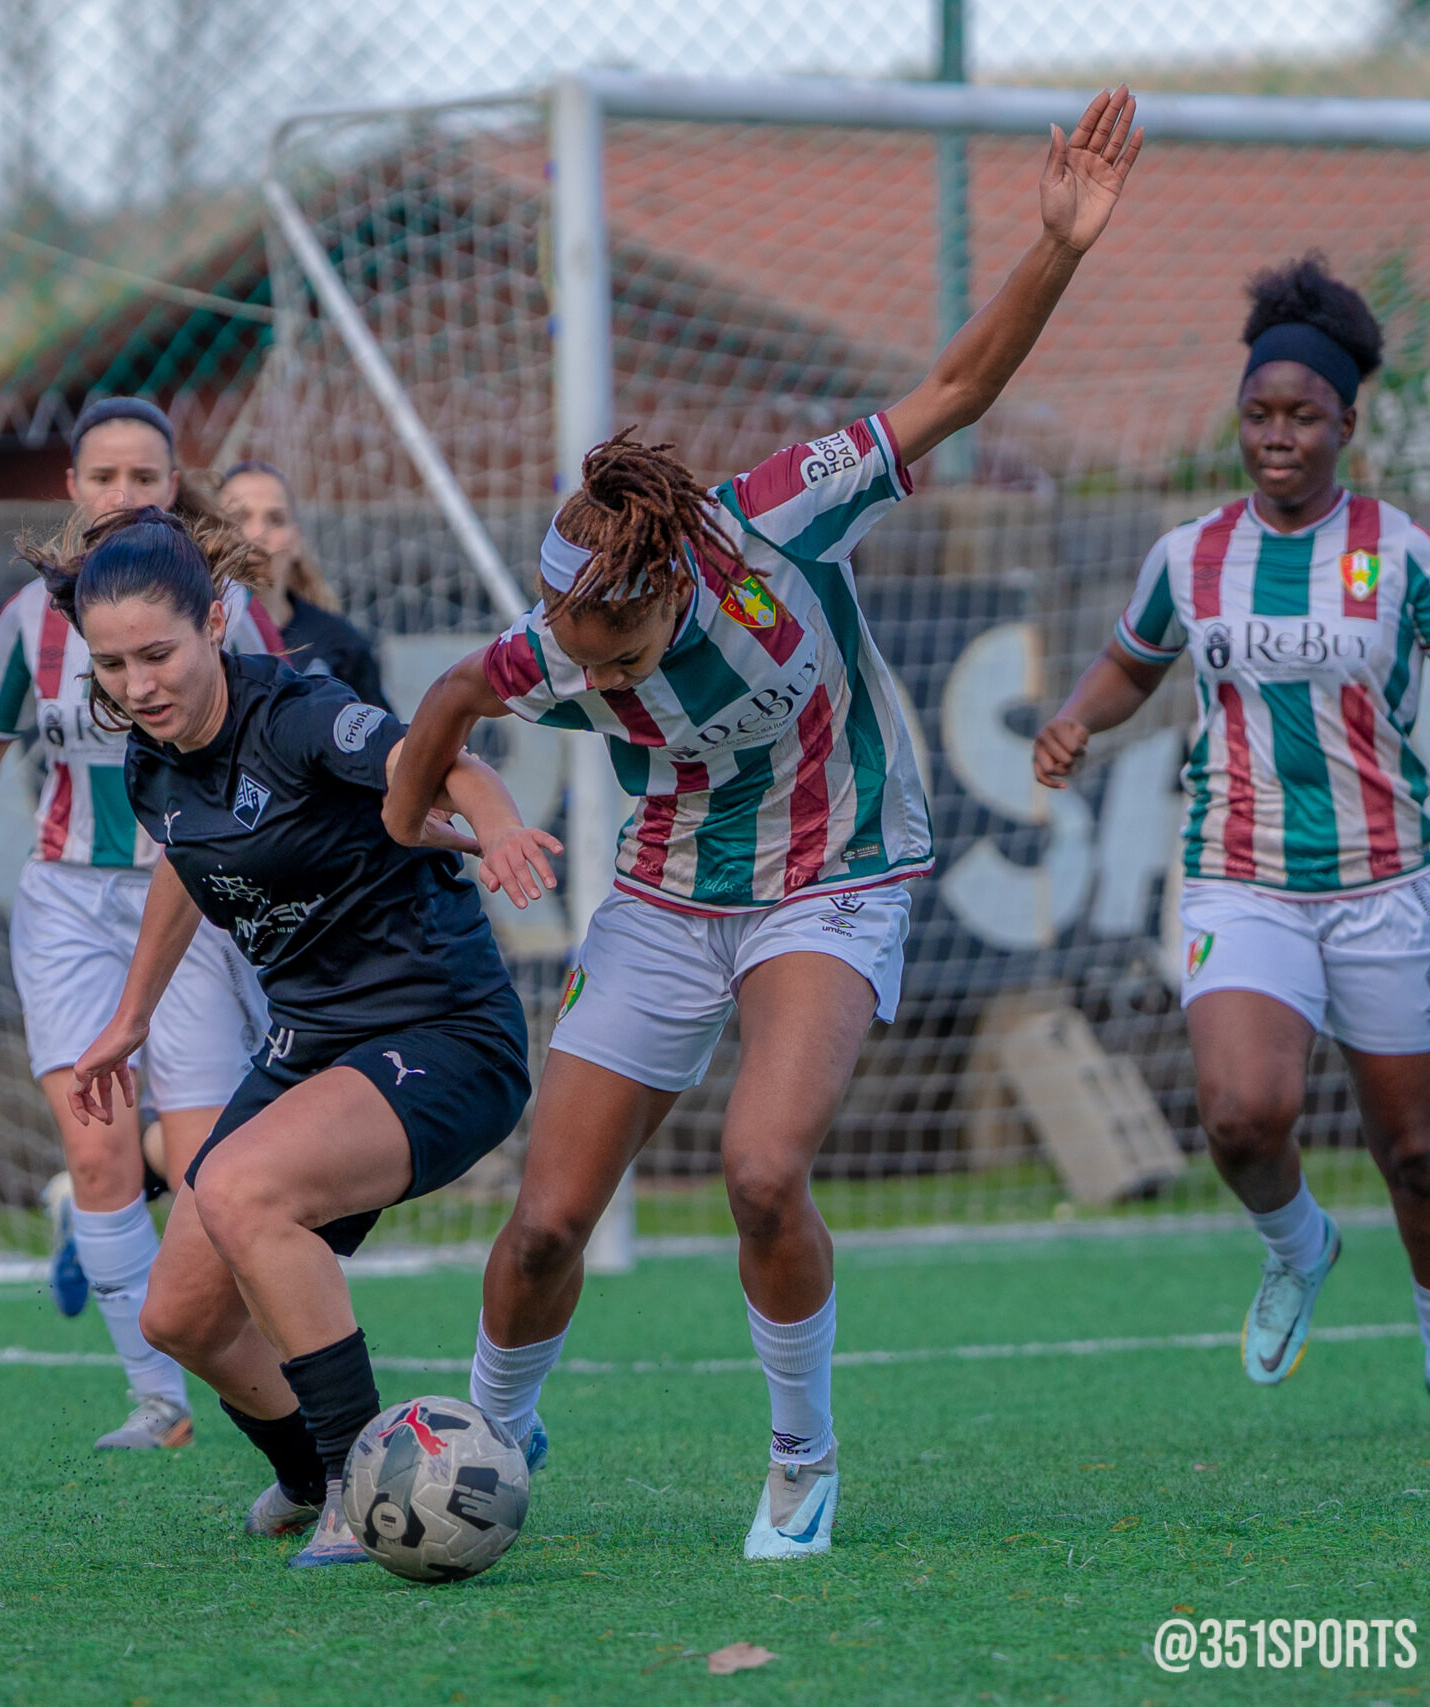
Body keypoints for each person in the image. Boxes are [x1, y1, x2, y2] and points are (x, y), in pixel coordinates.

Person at [389, 90, 1146, 1560]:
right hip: (668, 897)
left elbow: (956, 387)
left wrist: (1059, 245)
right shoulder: (556, 643)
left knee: (758, 1170)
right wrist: (415, 811)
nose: (601, 676)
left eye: (621, 648)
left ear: (675, 578)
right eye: (579, 650)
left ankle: (802, 1454)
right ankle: (486, 1433)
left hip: (834, 876)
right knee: (543, 1224)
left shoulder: (782, 515)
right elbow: (449, 700)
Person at [1031, 253, 1430, 1439]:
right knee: (1239, 1115)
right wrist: (1074, 719)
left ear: (1345, 426)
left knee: (1415, 1153)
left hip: (1382, 884)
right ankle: (1298, 1244)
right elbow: (1127, 665)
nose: (1277, 435)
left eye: (1303, 416)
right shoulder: (1189, 556)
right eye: (1259, 413)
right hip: (1238, 875)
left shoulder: (1402, 552)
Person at [60, 506, 560, 1568]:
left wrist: (501, 822)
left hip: (443, 1035)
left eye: (158, 654)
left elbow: (439, 760)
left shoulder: (302, 714)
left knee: (242, 1189)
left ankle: (352, 1482)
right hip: (311, 1046)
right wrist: (129, 1019)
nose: (138, 685)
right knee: (178, 1315)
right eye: (112, 665)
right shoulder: (152, 762)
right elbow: (186, 863)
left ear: (216, 621)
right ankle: (300, 1472)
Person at [0, 396, 276, 1453]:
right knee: (97, 1155)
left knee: (214, 1167)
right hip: (69, 904)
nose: (122, 493)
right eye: (102, 476)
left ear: (173, 487)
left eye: (142, 476)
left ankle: (269, 1376)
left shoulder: (223, 608)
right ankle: (157, 1401)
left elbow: (280, 733)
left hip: (195, 899)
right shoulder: (26, 622)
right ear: (71, 490)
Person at [220, 459, 390, 708]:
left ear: (296, 540)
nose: (257, 534)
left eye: (276, 519)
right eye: (239, 518)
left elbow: (381, 728)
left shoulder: (339, 642)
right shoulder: (195, 634)